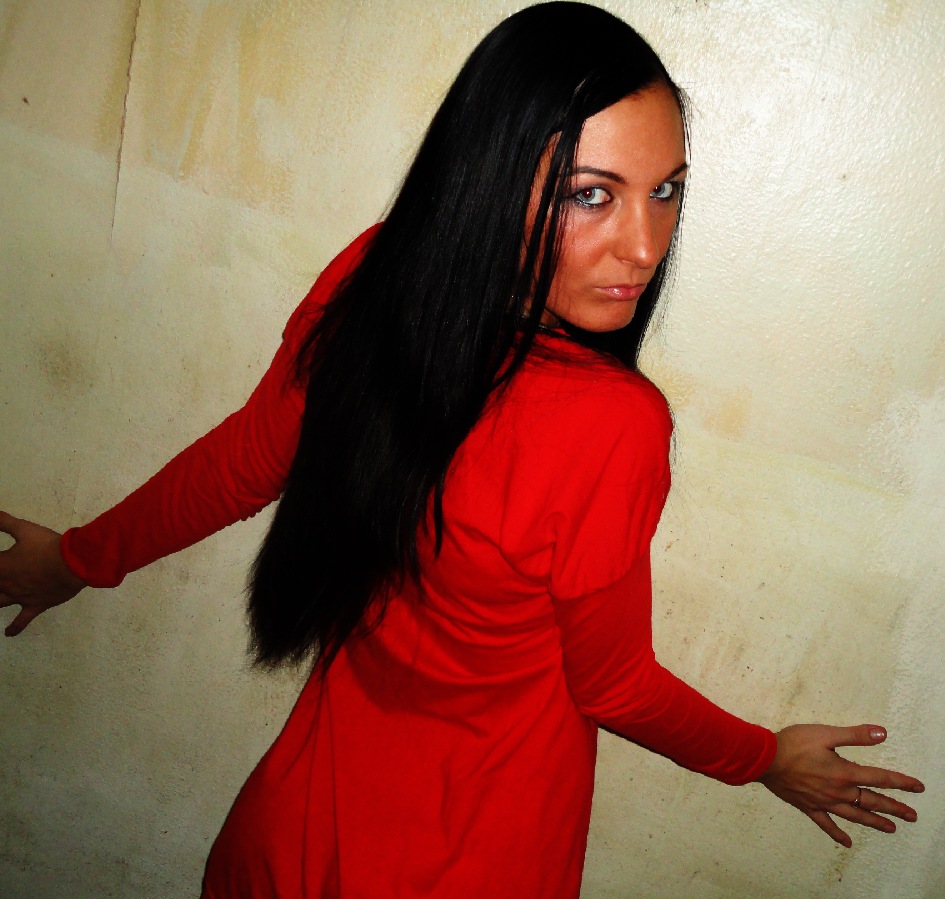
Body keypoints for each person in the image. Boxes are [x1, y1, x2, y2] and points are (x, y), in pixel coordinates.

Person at [0, 3, 925, 897]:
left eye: (665, 190)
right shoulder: (612, 422)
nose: (644, 247)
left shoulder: (377, 273)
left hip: (289, 844)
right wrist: (763, 758)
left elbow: (249, 459)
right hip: (472, 859)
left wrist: (78, 559)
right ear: (491, 174)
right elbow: (612, 683)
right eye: (591, 195)